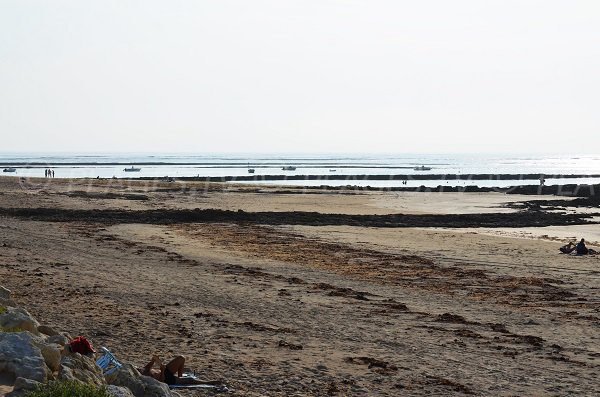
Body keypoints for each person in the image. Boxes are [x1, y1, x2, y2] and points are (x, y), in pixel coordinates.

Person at [140, 354, 221, 385]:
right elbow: (160, 382)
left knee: (181, 358)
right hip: (166, 379)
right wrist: (163, 371)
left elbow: (146, 368)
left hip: (164, 370)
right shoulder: (142, 378)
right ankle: (210, 382)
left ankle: (180, 376)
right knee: (190, 380)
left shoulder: (138, 370)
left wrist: (153, 360)